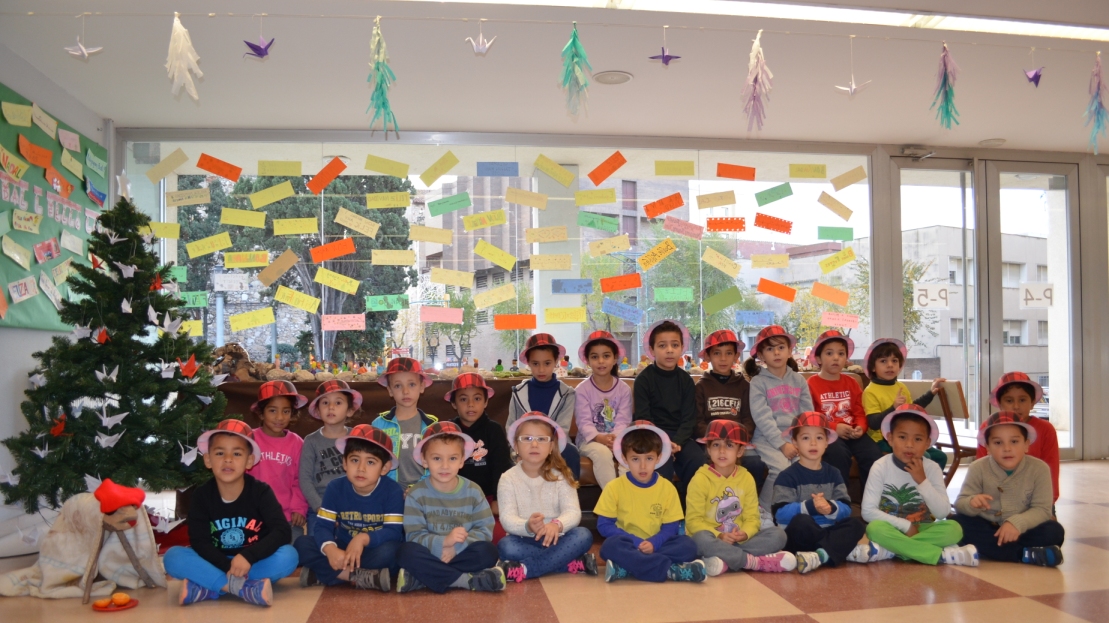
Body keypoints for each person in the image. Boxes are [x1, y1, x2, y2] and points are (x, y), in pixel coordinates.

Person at [164, 420, 297, 606]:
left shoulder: (261, 492)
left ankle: (209, 586)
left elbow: (282, 532)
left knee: (289, 556)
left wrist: (248, 557)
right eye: (220, 453)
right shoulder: (201, 495)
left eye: (237, 453)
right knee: (173, 557)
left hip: (252, 562)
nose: (228, 459)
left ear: (249, 461)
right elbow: (199, 542)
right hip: (214, 561)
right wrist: (227, 566)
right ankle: (242, 589)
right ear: (208, 460)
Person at [856, 405, 977, 566]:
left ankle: (892, 551)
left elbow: (942, 512)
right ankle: (938, 555)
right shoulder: (880, 466)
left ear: (927, 443)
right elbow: (867, 512)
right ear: (890, 438)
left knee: (954, 529)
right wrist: (905, 526)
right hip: (891, 528)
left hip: (923, 528)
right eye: (902, 437)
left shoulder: (932, 468)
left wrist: (922, 481)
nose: (909, 445)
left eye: (918, 439)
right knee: (874, 529)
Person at [396, 422, 506, 593]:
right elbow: (414, 535)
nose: (445, 466)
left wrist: (455, 548)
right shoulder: (416, 494)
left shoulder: (473, 491)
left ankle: (422, 578)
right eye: (437, 458)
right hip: (430, 552)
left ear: (462, 461)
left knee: (488, 551)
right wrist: (443, 543)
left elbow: (484, 530)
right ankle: (466, 580)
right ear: (424, 460)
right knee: (405, 552)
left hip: (461, 552)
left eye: (452, 458)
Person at [294, 425, 405, 591]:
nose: (361, 468)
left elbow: (393, 531)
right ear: (344, 463)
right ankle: (356, 577)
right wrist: (330, 549)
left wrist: (362, 539)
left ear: (384, 468)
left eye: (370, 462)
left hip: (371, 549)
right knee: (302, 544)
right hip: (342, 547)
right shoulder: (335, 487)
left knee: (393, 552)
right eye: (354, 460)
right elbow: (323, 526)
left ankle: (325, 574)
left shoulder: (393, 490)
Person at [597, 421, 706, 583]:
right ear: (625, 459)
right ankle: (669, 571)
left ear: (658, 458)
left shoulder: (667, 488)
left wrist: (654, 543)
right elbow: (604, 525)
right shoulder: (614, 487)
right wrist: (636, 542)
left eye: (649, 458)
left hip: (658, 544)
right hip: (629, 543)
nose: (643, 466)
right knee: (610, 546)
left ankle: (628, 567)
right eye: (635, 459)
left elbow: (671, 527)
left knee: (688, 545)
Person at [955, 412, 1065, 566]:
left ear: (1026, 444)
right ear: (987, 447)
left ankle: (996, 551)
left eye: (1014, 441)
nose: (1007, 448)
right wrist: (972, 502)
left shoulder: (1039, 469)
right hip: (989, 527)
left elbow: (1042, 509)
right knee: (957, 523)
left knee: (1054, 531)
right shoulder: (978, 468)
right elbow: (960, 504)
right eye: (998, 443)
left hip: (1023, 530)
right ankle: (1023, 554)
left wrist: (1016, 523)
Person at [497, 412, 597, 582]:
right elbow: (507, 518)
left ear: (551, 447)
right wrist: (528, 526)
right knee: (506, 547)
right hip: (525, 539)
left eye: (542, 439)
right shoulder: (508, 478)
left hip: (559, 538)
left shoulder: (562, 476)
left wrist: (556, 525)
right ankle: (567, 563)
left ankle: (527, 569)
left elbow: (573, 512)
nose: (534, 444)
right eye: (527, 439)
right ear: (516, 446)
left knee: (583, 535)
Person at [686, 420, 795, 575]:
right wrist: (719, 535)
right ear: (708, 449)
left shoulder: (746, 477)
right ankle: (753, 562)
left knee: (778, 535)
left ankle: (725, 560)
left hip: (740, 541)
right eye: (716, 445)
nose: (722, 451)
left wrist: (745, 533)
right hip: (713, 539)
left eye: (729, 445)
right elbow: (693, 521)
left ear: (740, 451)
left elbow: (752, 518)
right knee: (699, 539)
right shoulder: (700, 479)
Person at [771, 412, 865, 574]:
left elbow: (846, 508)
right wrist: (810, 507)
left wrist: (830, 508)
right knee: (801, 521)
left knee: (856, 524)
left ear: (827, 442)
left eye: (819, 438)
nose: (813, 443)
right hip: (800, 536)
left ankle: (820, 555)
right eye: (806, 438)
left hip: (827, 530)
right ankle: (836, 550)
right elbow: (780, 514)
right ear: (795, 442)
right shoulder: (787, 476)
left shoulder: (834, 473)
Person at [806, 329, 883, 491]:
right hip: (827, 433)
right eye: (829, 353)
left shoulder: (852, 382)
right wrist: (834, 427)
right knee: (838, 455)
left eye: (841, 354)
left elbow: (859, 411)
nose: (836, 358)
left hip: (853, 431)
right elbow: (811, 416)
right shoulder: (811, 384)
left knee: (873, 455)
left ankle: (871, 499)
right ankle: (840, 499)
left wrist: (861, 427)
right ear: (818, 358)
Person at [746, 326, 814, 508]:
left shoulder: (799, 380)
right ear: (761, 356)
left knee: (805, 467)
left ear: (790, 351)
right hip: (767, 439)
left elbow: (807, 415)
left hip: (795, 439)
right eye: (770, 349)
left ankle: (796, 507)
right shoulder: (758, 382)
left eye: (781, 347)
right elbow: (762, 418)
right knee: (781, 470)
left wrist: (801, 441)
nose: (776, 352)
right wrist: (782, 444)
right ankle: (764, 508)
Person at [694, 329, 768, 493]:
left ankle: (750, 501)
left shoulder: (744, 386)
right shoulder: (701, 386)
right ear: (708, 356)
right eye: (717, 353)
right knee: (701, 462)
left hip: (738, 441)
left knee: (755, 462)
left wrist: (738, 438)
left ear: (736, 356)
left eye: (728, 353)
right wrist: (715, 438)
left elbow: (749, 418)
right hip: (711, 441)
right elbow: (697, 421)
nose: (723, 358)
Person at [634, 320, 700, 498]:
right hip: (652, 436)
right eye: (662, 345)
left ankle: (689, 508)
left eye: (675, 345)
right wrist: (662, 443)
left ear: (682, 348)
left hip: (681, 437)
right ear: (652, 350)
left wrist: (677, 442)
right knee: (660, 465)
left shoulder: (686, 380)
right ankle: (661, 509)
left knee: (698, 461)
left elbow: (689, 418)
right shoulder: (644, 380)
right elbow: (643, 418)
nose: (669, 350)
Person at [860, 338, 948, 468]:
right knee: (925, 457)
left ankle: (929, 481)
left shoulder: (901, 386)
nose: (890, 365)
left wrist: (931, 393)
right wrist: (894, 407)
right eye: (883, 361)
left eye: (894, 361)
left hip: (906, 436)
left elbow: (912, 410)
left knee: (940, 457)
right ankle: (915, 480)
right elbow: (873, 424)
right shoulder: (870, 391)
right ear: (873, 367)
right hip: (883, 440)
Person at [975, 372, 1060, 503]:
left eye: (1022, 400)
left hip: (1034, 499)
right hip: (996, 499)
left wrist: (1049, 501)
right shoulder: (988, 427)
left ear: (1032, 402)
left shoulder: (1046, 429)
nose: (1016, 406)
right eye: (1009, 401)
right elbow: (981, 467)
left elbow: (1051, 468)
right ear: (1000, 403)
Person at [508, 334, 580, 479]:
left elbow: (562, 429)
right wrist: (518, 448)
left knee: (571, 453)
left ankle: (570, 492)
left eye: (547, 363)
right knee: (507, 458)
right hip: (525, 444)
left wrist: (545, 447)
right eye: (535, 364)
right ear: (528, 363)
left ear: (556, 362)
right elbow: (511, 426)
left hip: (555, 445)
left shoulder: (567, 393)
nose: (541, 369)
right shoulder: (518, 392)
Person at [247, 381, 309, 541]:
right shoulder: (249, 440)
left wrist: (299, 508)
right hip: (253, 515)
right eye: (272, 410)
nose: (280, 417)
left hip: (286, 517)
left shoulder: (297, 443)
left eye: (286, 411)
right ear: (261, 413)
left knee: (293, 549)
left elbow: (301, 479)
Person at [300, 380, 362, 536]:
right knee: (317, 541)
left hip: (354, 504)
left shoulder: (356, 437)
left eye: (338, 402)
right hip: (321, 505)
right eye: (325, 402)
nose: (331, 407)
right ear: (318, 410)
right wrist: (320, 508)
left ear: (350, 410)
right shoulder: (311, 441)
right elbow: (305, 479)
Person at [448, 374, 514, 517]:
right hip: (455, 498)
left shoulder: (494, 430)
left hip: (488, 498)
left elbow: (501, 466)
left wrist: (498, 498)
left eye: (477, 399)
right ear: (453, 404)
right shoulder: (449, 431)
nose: (470, 404)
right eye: (463, 399)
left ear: (485, 402)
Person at [574, 331, 632, 489]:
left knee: (629, 452)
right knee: (603, 453)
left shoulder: (624, 389)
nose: (601, 361)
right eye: (595, 357)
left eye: (606, 356)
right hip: (589, 440)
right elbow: (583, 421)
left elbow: (624, 419)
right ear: (587, 361)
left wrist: (615, 438)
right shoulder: (582, 389)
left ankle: (629, 496)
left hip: (617, 438)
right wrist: (599, 438)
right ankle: (612, 497)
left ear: (615, 358)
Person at [372, 358, 438, 490]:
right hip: (388, 491)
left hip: (424, 491)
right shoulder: (378, 424)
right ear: (390, 390)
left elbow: (438, 462)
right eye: (398, 386)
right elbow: (372, 461)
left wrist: (418, 488)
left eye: (411, 384)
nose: (405, 391)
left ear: (422, 387)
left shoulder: (432, 426)